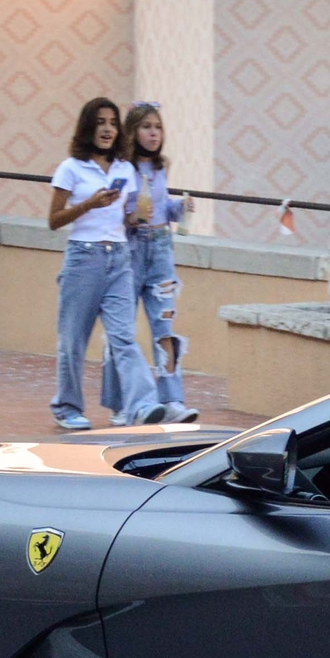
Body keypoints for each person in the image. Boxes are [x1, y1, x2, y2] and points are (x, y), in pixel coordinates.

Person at [47, 97, 159, 430]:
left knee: (123, 337)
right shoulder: (71, 168)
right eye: (100, 122)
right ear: (87, 128)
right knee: (73, 339)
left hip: (120, 256)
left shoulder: (125, 169)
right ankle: (68, 408)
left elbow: (125, 218)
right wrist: (90, 204)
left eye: (112, 122)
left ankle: (142, 404)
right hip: (84, 256)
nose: (108, 129)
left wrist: (135, 217)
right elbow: (53, 220)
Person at [101, 101, 199, 424]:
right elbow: (113, 213)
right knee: (121, 330)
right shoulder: (121, 169)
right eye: (146, 127)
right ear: (132, 131)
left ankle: (172, 400)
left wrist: (178, 208)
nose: (153, 133)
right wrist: (131, 218)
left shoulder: (160, 167)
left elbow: (161, 205)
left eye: (157, 127)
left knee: (165, 328)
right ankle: (121, 404)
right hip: (129, 252)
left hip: (160, 250)